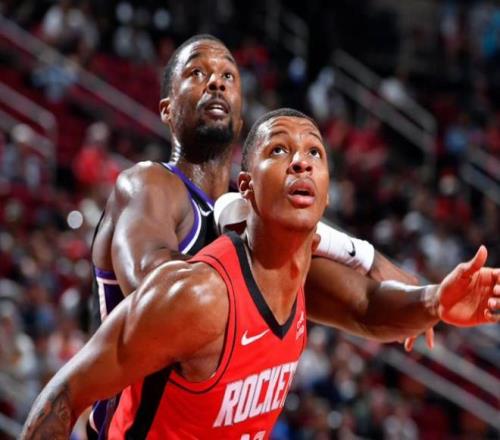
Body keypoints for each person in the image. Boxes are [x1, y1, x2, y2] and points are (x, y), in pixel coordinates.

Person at [21, 109, 500, 439]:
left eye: (315, 153)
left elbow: (370, 308)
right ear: (246, 188)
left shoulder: (302, 275)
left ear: (327, 193)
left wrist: (435, 302)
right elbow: (64, 395)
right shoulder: (200, 296)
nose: (301, 161)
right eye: (279, 150)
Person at [86, 34, 429, 436]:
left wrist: (430, 299)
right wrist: (354, 251)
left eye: (228, 76)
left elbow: (363, 307)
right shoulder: (148, 186)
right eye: (197, 73)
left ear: (241, 118)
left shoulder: (256, 231)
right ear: (167, 109)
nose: (216, 82)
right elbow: (155, 292)